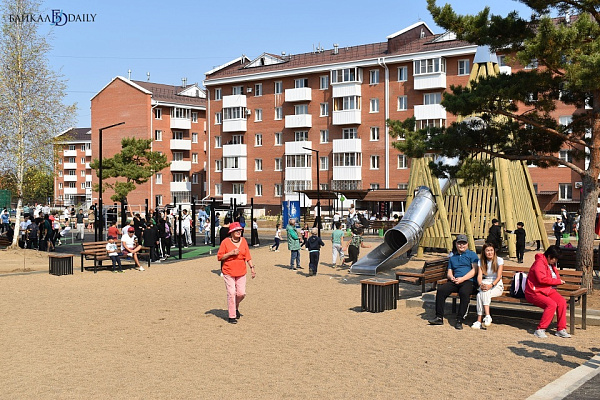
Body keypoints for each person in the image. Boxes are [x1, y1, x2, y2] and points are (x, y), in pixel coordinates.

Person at [429, 234, 479, 330]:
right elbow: (449, 272)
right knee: (441, 290)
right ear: (456, 244)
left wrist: (462, 279)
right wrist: (451, 277)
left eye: (464, 243)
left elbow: (475, 270)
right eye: (459, 243)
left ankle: (459, 319)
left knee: (464, 293)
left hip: (468, 281)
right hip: (455, 280)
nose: (461, 245)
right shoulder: (453, 257)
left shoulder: (472, 255)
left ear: (467, 244)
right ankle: (439, 317)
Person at [525, 245, 571, 338]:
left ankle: (561, 329)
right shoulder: (539, 263)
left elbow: (554, 277)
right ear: (549, 256)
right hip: (534, 292)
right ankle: (540, 329)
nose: (556, 261)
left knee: (562, 302)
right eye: (555, 259)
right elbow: (541, 279)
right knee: (551, 304)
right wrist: (558, 282)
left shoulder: (550, 264)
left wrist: (557, 281)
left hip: (547, 290)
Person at [217, 222, 255, 324]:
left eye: (240, 230)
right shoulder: (225, 242)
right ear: (231, 232)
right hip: (228, 271)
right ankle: (232, 316)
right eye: (236, 230)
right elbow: (219, 257)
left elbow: (247, 255)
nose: (239, 232)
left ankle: (235, 307)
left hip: (241, 271)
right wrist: (230, 253)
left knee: (241, 293)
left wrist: (252, 267)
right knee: (231, 293)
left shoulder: (244, 241)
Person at [471, 243, 504, 329]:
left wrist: (491, 285)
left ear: (494, 251)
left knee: (483, 293)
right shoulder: (481, 261)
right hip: (485, 282)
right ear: (484, 252)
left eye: (491, 250)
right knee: (480, 294)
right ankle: (483, 319)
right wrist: (480, 284)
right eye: (487, 250)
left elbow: (499, 277)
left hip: (496, 284)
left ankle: (483, 318)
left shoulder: (499, 260)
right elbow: (479, 276)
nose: (490, 253)